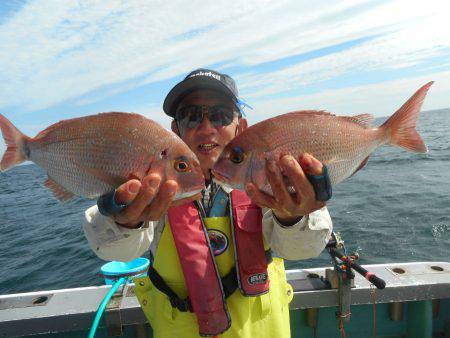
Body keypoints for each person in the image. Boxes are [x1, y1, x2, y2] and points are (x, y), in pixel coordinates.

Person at [83, 69, 333, 338]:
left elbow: (304, 248)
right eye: (191, 116)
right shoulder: (152, 178)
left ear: (241, 127)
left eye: (221, 116)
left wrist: (292, 216)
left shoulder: (269, 176)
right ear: (175, 131)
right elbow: (114, 250)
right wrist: (125, 220)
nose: (205, 128)